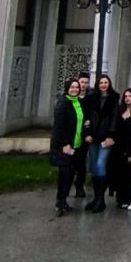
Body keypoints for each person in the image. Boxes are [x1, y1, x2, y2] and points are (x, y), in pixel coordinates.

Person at [84, 74, 120, 213]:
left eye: (106, 82)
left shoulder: (113, 98)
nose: (103, 85)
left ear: (109, 84)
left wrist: (111, 135)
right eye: (101, 83)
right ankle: (96, 198)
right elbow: (87, 117)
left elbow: (114, 118)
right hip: (93, 137)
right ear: (98, 84)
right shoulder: (91, 99)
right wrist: (87, 133)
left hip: (106, 137)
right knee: (93, 166)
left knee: (100, 164)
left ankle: (101, 200)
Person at [50, 79, 86, 215]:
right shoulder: (63, 103)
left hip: (76, 144)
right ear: (67, 88)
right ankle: (60, 201)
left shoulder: (78, 102)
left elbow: (80, 120)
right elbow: (59, 126)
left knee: (70, 173)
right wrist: (65, 144)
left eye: (77, 87)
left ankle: (64, 200)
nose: (75, 89)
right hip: (65, 146)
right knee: (64, 174)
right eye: (72, 87)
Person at [112, 88, 131, 208]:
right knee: (119, 172)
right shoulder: (119, 112)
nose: (128, 98)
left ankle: (128, 198)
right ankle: (120, 198)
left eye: (130, 96)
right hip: (119, 147)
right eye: (126, 96)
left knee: (129, 174)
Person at [72, 71, 92, 197]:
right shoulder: (73, 97)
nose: (84, 84)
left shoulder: (90, 98)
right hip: (72, 135)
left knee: (81, 163)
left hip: (84, 135)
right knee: (71, 163)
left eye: (86, 82)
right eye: (82, 82)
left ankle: (79, 186)